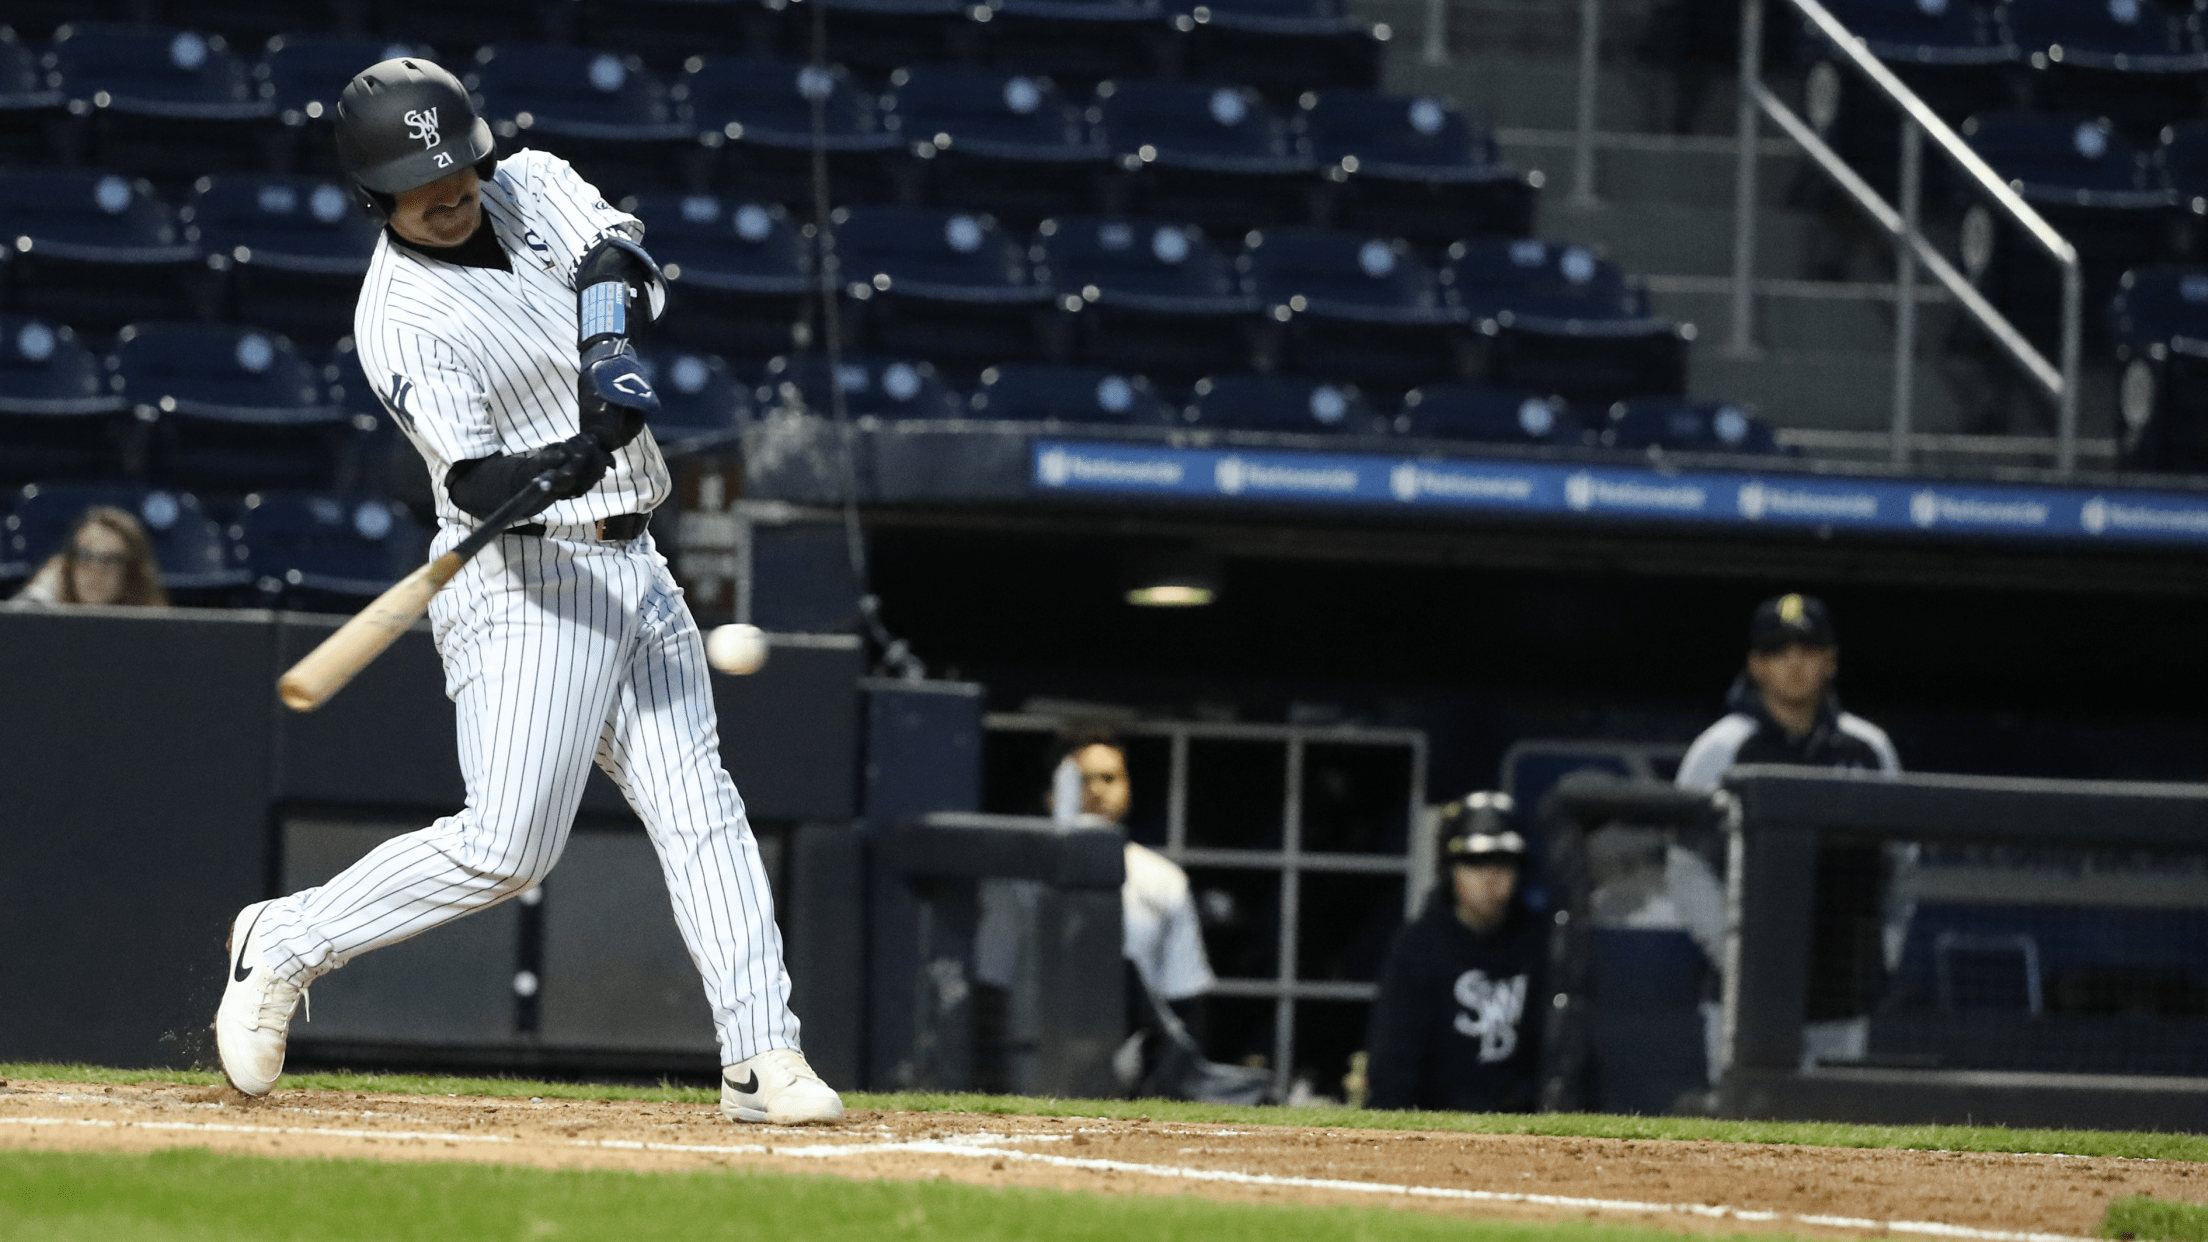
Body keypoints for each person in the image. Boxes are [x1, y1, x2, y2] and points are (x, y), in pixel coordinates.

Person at [212, 58, 841, 1125]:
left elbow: (617, 256)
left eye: (457, 167)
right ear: (373, 197)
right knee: (507, 849)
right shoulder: (399, 315)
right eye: (419, 184)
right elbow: (475, 483)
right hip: (524, 581)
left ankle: (759, 1056)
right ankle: (285, 939)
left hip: (638, 563)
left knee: (702, 810)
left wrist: (605, 348)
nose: (449, 192)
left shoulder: (530, 180)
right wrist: (567, 458)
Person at [1363, 792, 1546, 1113]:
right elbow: (1392, 1066)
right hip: (1437, 1122)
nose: (1490, 877)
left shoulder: (1542, 943)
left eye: (1503, 861)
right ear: (1450, 870)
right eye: (1474, 862)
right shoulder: (1417, 947)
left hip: (1523, 1124)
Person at [1674, 592, 1899, 792]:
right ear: (1756, 665)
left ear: (1831, 660)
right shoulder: (1719, 747)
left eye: (1809, 648)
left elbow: (1898, 825)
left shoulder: (1869, 746)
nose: (1794, 662)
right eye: (1777, 650)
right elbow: (1684, 827)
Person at [9, 506, 168, 607]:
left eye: (112, 560)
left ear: (132, 572)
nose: (96, 569)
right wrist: (39, 591)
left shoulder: (151, 631)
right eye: (85, 556)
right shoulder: (48, 619)